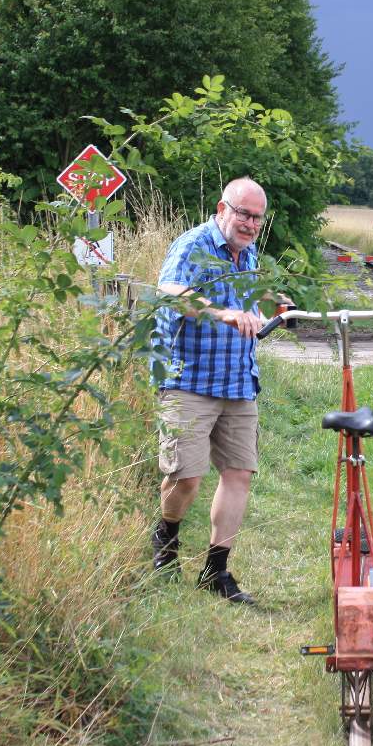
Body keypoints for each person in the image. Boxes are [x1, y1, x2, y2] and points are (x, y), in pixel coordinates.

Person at [150, 177, 273, 604]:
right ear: (222, 209)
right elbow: (169, 293)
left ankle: (216, 571)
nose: (251, 224)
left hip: (239, 380)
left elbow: (251, 297)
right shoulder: (194, 245)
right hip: (188, 380)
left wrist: (275, 303)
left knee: (238, 473)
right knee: (186, 478)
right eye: (243, 214)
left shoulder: (247, 250)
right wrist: (222, 314)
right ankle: (166, 538)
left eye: (257, 217)